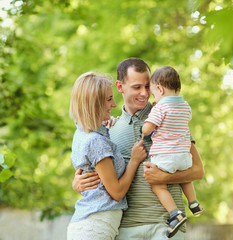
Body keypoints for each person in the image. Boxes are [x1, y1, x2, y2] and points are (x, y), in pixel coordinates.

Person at [72, 58, 205, 240]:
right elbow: (103, 176)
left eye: (147, 86)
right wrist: (78, 184)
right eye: (136, 87)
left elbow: (198, 171)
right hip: (126, 228)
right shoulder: (109, 130)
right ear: (120, 87)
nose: (144, 93)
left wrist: (166, 177)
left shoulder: (171, 118)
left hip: (167, 225)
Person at [67, 72, 147, 240]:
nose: (114, 104)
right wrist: (134, 161)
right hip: (95, 227)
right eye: (109, 99)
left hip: (92, 224)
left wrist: (108, 125)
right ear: (94, 103)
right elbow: (116, 192)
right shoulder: (96, 142)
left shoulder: (83, 132)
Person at [141, 66, 204, 238]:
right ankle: (194, 203)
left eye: (154, 94)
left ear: (160, 89)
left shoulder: (159, 108)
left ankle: (175, 214)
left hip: (165, 157)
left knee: (158, 185)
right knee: (185, 178)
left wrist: (148, 122)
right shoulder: (186, 106)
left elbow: (147, 130)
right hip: (184, 155)